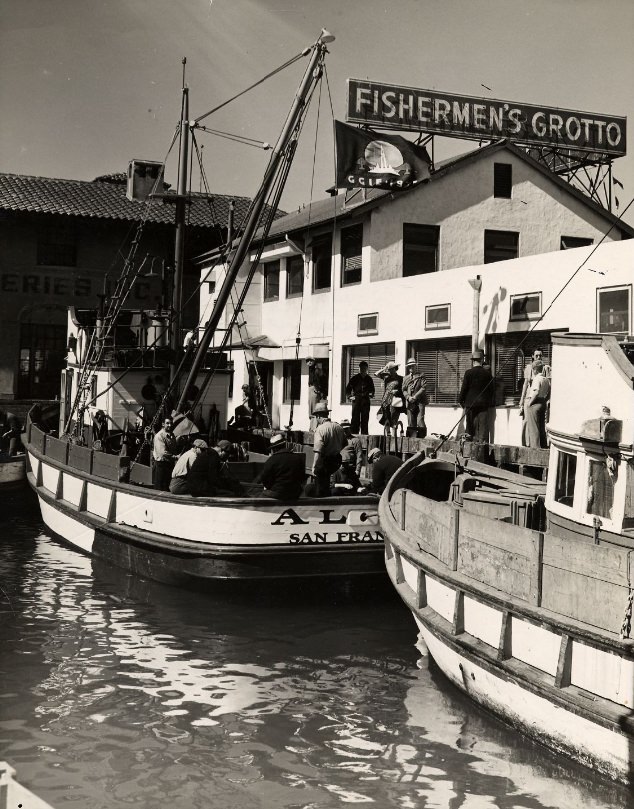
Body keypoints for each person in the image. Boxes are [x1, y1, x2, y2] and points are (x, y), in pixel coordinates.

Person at [310, 401, 347, 497]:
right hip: (336, 460)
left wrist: (314, 466)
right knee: (331, 486)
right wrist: (335, 449)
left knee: (321, 488)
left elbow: (318, 450)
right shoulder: (339, 427)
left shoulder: (320, 429)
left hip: (324, 461)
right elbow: (345, 443)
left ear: (318, 416)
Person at [255, 433, 306, 500]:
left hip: (278, 493)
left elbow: (265, 479)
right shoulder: (298, 458)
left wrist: (270, 487)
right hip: (295, 494)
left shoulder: (272, 460)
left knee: (257, 496)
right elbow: (302, 478)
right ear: (284, 445)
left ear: (274, 449)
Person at [458, 349, 493, 442]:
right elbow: (491, 390)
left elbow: (464, 389)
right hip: (483, 405)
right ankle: (482, 448)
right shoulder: (487, 374)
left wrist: (460, 401)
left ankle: (469, 447)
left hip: (470, 404)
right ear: (482, 360)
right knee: (482, 429)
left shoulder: (468, 373)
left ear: (473, 361)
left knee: (469, 428)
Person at [519, 349, 544, 446]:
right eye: (536, 355)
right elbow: (525, 384)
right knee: (526, 420)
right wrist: (522, 400)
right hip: (529, 397)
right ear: (532, 356)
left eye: (540, 355)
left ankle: (537, 444)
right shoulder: (529, 368)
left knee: (537, 422)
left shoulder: (544, 368)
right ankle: (526, 443)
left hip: (538, 398)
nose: (538, 357)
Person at [524, 360, 551, 448]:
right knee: (541, 427)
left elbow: (536, 392)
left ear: (534, 369)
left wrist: (529, 403)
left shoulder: (537, 379)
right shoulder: (546, 379)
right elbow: (549, 393)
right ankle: (543, 447)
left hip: (535, 403)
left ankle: (535, 448)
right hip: (542, 403)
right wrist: (544, 400)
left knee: (534, 429)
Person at [375, 361, 405, 438]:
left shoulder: (401, 378)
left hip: (395, 401)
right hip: (386, 401)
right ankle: (388, 435)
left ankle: (394, 436)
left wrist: (397, 391)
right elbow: (376, 374)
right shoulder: (386, 377)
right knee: (386, 418)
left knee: (394, 418)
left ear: (395, 369)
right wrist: (384, 368)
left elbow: (403, 390)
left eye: (392, 369)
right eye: (389, 369)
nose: (390, 371)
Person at [345, 361, 375, 434]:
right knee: (355, 419)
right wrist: (350, 396)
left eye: (364, 368)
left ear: (367, 369)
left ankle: (364, 436)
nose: (363, 369)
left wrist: (371, 394)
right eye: (361, 368)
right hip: (356, 400)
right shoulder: (355, 378)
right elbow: (348, 389)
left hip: (365, 401)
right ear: (359, 368)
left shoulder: (369, 379)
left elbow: (372, 389)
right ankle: (354, 435)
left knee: (365, 419)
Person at [402, 357, 428, 438]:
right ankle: (412, 440)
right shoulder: (405, 378)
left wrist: (415, 397)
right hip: (410, 402)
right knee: (411, 423)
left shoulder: (421, 376)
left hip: (420, 401)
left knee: (420, 421)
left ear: (416, 366)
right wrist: (408, 397)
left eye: (413, 366)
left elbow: (424, 387)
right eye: (409, 366)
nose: (411, 367)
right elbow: (403, 390)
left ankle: (422, 439)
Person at [152, 416, 179, 491]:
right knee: (159, 488)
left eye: (171, 423)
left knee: (167, 487)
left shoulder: (172, 435)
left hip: (169, 465)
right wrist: (175, 457)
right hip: (161, 465)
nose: (170, 425)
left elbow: (173, 449)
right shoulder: (159, 436)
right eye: (167, 423)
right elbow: (163, 453)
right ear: (163, 424)